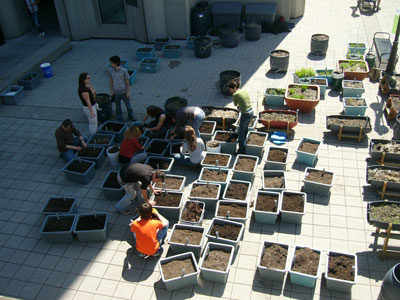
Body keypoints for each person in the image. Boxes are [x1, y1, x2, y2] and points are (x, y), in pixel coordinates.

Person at [228, 81, 254, 154]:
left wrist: (239, 106)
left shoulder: (235, 94)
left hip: (245, 114)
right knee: (245, 128)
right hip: (251, 112)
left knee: (240, 133)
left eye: (230, 89)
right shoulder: (244, 91)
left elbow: (236, 104)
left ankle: (241, 150)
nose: (230, 91)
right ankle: (246, 142)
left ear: (234, 88)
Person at [108, 56, 136, 122]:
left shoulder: (124, 71)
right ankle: (120, 118)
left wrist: (128, 92)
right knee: (118, 107)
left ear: (116, 63)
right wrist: (111, 91)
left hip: (123, 92)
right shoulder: (110, 70)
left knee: (128, 106)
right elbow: (111, 80)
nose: (111, 64)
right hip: (116, 92)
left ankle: (131, 116)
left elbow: (127, 82)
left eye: (112, 63)